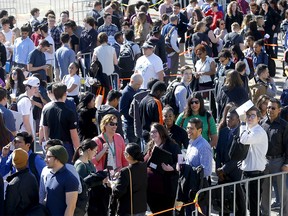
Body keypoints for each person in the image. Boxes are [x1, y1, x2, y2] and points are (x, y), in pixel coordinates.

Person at [92, 114, 128, 215]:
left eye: (116, 124)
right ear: (104, 125)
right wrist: (103, 151)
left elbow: (124, 158)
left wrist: (124, 173)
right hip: (104, 178)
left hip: (117, 175)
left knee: (115, 204)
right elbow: (93, 161)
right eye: (111, 124)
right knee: (105, 204)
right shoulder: (96, 141)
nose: (115, 126)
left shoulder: (119, 138)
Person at [145, 123, 181, 216]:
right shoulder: (150, 145)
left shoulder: (172, 146)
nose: (152, 134)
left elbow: (181, 162)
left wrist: (172, 168)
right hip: (151, 188)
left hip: (166, 189)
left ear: (161, 132)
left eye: (155, 131)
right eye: (151, 132)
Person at [260, 98, 288, 216]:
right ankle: (265, 213)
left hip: (279, 161)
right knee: (265, 192)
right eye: (268, 107)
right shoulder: (262, 123)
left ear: (279, 110)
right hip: (264, 161)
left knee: (283, 192)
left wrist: (286, 163)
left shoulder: (284, 125)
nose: (270, 110)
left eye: (273, 108)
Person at [215, 108, 246, 216]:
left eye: (231, 118)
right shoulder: (223, 132)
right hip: (222, 175)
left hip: (235, 174)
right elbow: (217, 152)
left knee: (239, 205)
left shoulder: (242, 133)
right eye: (227, 117)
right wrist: (218, 170)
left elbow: (239, 156)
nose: (228, 120)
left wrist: (224, 169)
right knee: (222, 206)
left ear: (238, 119)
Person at [239, 106, 268, 215]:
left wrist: (242, 123)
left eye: (253, 115)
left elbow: (243, 140)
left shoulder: (258, 132)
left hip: (255, 174)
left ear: (258, 118)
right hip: (246, 172)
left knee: (253, 206)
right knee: (248, 204)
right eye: (248, 115)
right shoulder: (250, 129)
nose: (249, 118)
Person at [42, 83, 80, 163]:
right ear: (65, 94)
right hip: (65, 147)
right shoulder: (69, 112)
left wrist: (47, 145)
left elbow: (45, 130)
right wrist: (78, 151)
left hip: (52, 145)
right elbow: (74, 134)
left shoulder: (46, 109)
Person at [185, 118, 213, 215]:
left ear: (200, 130)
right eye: (187, 128)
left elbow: (207, 170)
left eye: (191, 128)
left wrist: (188, 170)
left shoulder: (203, 146)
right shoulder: (191, 143)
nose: (188, 131)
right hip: (190, 187)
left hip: (199, 188)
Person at [111, 143, 147, 216]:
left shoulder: (125, 171)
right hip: (141, 208)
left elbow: (118, 192)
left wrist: (112, 185)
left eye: (125, 152)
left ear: (128, 156)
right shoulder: (144, 166)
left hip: (129, 209)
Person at [45, 145, 79, 215]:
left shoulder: (70, 179)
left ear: (57, 159)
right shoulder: (49, 175)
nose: (45, 159)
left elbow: (71, 207)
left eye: (48, 157)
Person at [4, 149, 39, 215]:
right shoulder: (32, 177)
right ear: (27, 162)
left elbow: (9, 209)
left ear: (13, 164)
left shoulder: (13, 184)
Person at [119, 73, 143, 143]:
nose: (139, 86)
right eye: (138, 84)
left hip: (137, 125)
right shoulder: (126, 93)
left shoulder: (136, 90)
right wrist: (134, 115)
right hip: (130, 125)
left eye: (140, 84)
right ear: (132, 81)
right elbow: (122, 110)